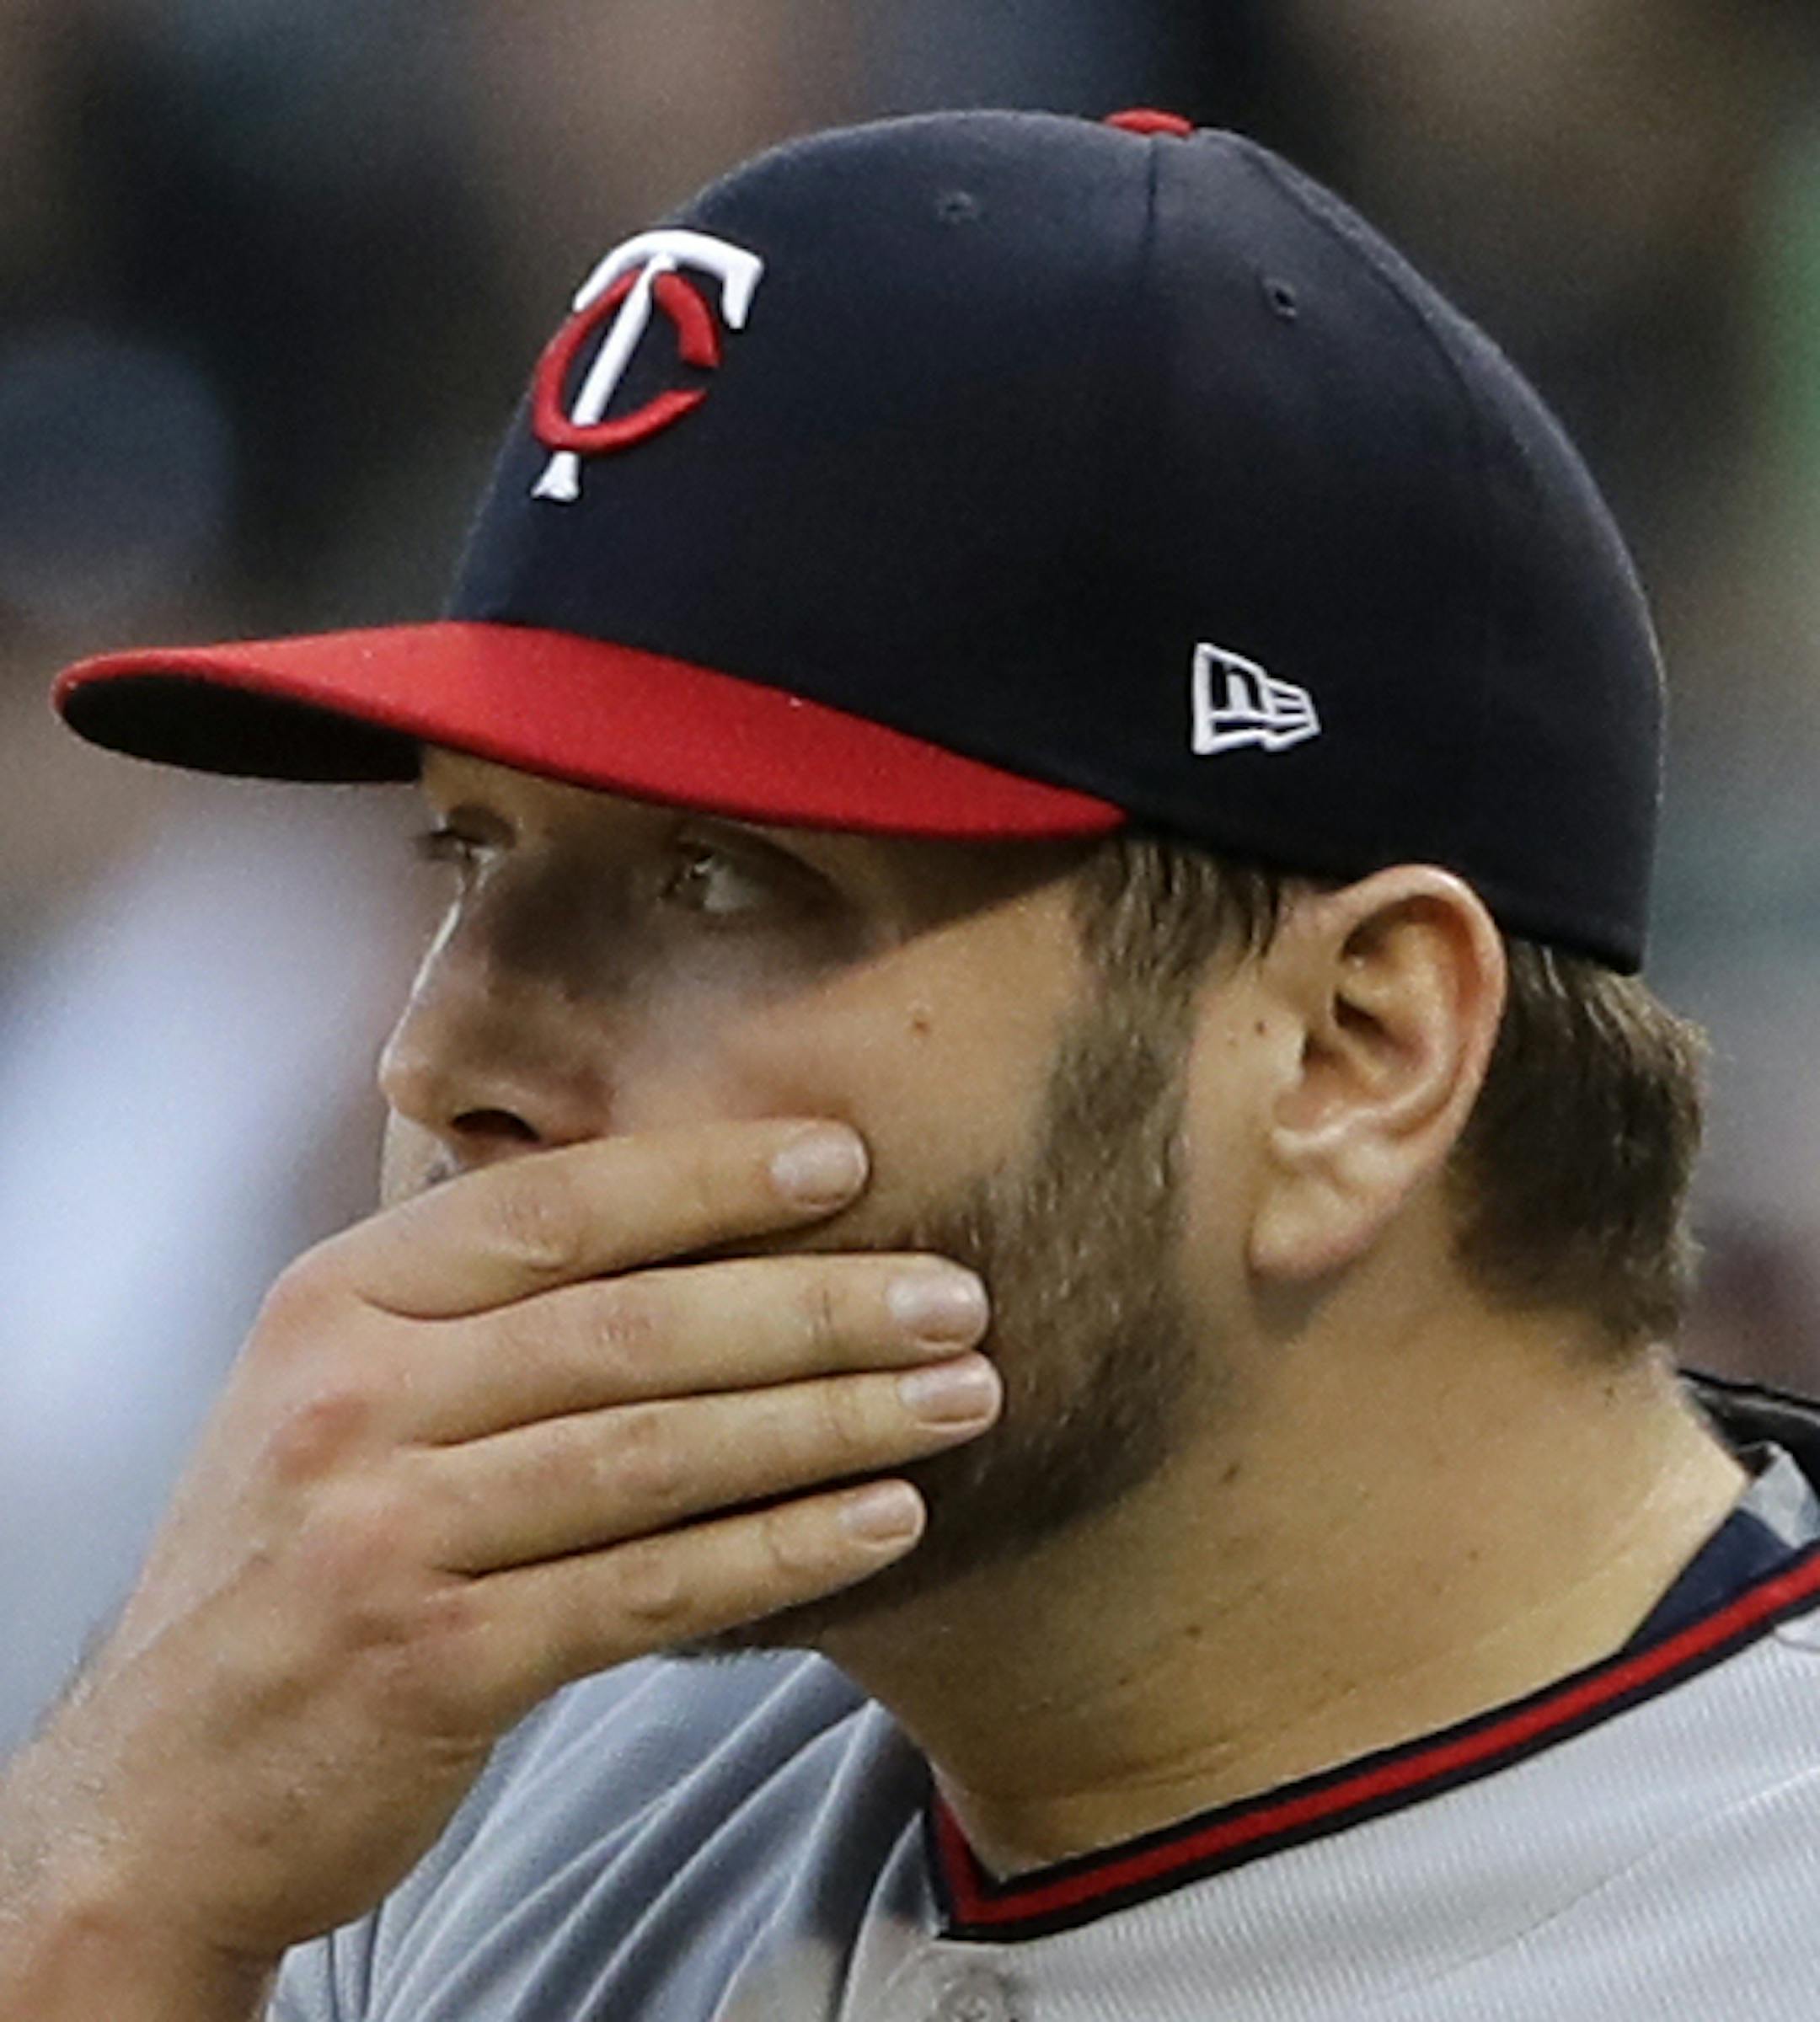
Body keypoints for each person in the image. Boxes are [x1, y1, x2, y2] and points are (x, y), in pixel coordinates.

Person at [7, 107, 1820, 2021]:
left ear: (1350, 1052)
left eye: (718, 877)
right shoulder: (477, 1776)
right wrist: (105, 1898)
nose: (440, 1057)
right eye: (471, 850)